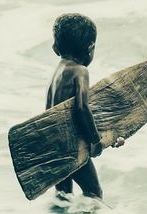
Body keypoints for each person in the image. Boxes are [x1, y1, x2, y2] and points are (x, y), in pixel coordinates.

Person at [46, 13, 124, 200]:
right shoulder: (80, 71)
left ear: (55, 47)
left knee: (63, 196)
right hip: (71, 150)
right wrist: (95, 141)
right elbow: (82, 109)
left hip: (55, 147)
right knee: (93, 193)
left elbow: (50, 113)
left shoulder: (58, 72)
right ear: (91, 47)